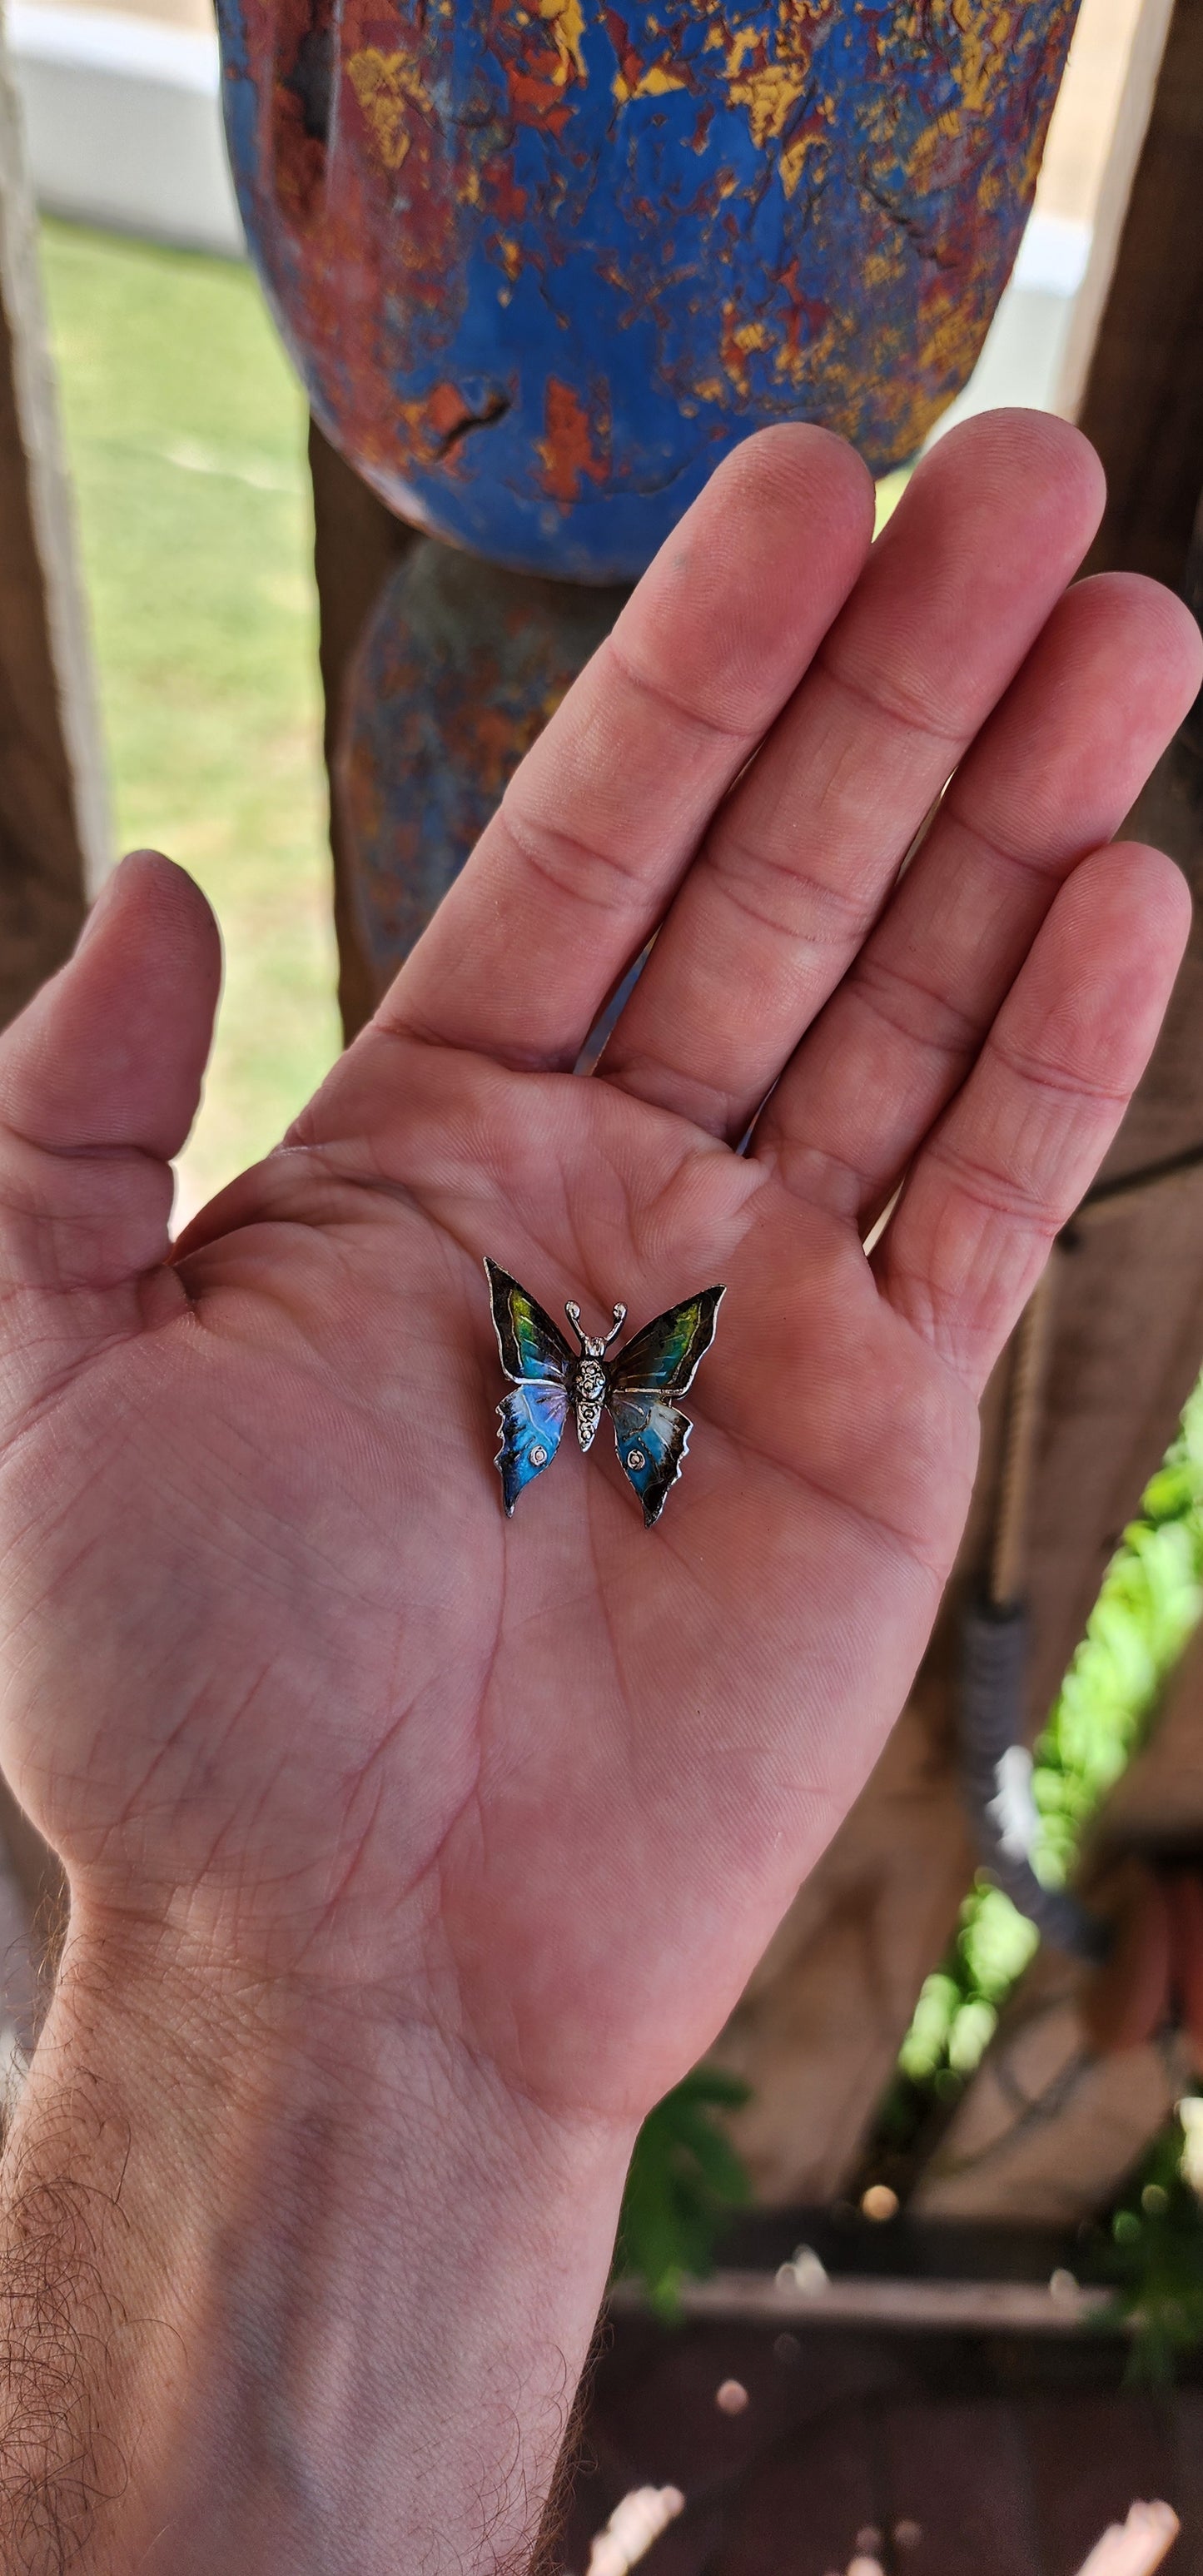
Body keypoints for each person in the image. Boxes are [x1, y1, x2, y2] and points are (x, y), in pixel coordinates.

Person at [0, 408, 1196, 2573]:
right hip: (586, 1398)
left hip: (594, 1396)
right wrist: (276, 1976)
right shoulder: (563, 1396)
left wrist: (265, 1992)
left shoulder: (589, 1391)